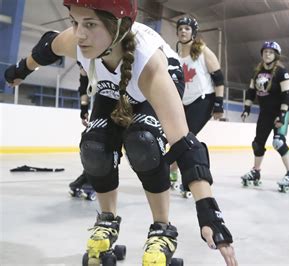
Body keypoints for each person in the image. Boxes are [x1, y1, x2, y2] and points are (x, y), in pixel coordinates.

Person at [4, 1, 237, 265]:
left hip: (148, 83)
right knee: (94, 147)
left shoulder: (150, 66)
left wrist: (208, 212)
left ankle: (162, 229)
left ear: (119, 27)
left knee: (143, 143)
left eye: (90, 24)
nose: (79, 34)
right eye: (74, 22)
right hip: (112, 88)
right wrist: (21, 70)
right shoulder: (78, 41)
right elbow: (47, 47)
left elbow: (185, 145)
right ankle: (107, 220)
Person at [170, 16, 225, 189]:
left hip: (203, 100)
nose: (183, 31)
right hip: (184, 102)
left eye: (187, 28)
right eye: (180, 29)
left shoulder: (202, 51)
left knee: (186, 138)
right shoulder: (176, 55)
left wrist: (218, 104)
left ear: (193, 32)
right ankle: (173, 172)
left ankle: (192, 176)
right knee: (177, 138)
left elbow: (219, 79)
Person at [240, 41, 289, 192]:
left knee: (278, 142)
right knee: (258, 144)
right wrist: (247, 108)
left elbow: (287, 94)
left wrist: (282, 114)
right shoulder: (257, 72)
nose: (267, 54)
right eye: (265, 52)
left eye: (271, 52)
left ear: (276, 55)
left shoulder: (281, 72)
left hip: (279, 112)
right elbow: (251, 92)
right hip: (264, 113)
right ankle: (256, 171)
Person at [68, 65, 97, 201]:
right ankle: (88, 177)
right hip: (103, 100)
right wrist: (84, 108)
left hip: (124, 98)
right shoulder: (84, 57)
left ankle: (90, 179)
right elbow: (84, 84)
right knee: (90, 139)